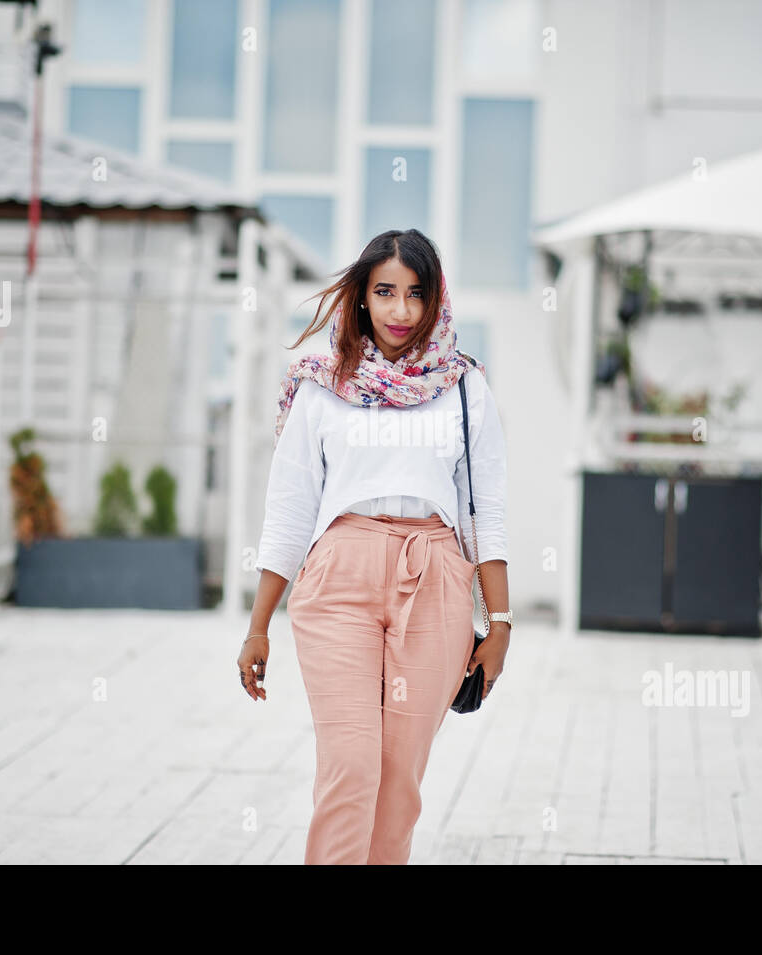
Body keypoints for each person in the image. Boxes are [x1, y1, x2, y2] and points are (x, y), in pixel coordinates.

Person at [236, 228, 512, 865]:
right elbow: (289, 510)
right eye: (384, 292)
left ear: (435, 300)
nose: (399, 312)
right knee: (351, 766)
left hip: (436, 580)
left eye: (416, 295)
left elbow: (485, 513)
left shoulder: (465, 389)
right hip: (338, 581)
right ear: (361, 296)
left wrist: (498, 621)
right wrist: (258, 627)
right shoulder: (319, 385)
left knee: (398, 784)